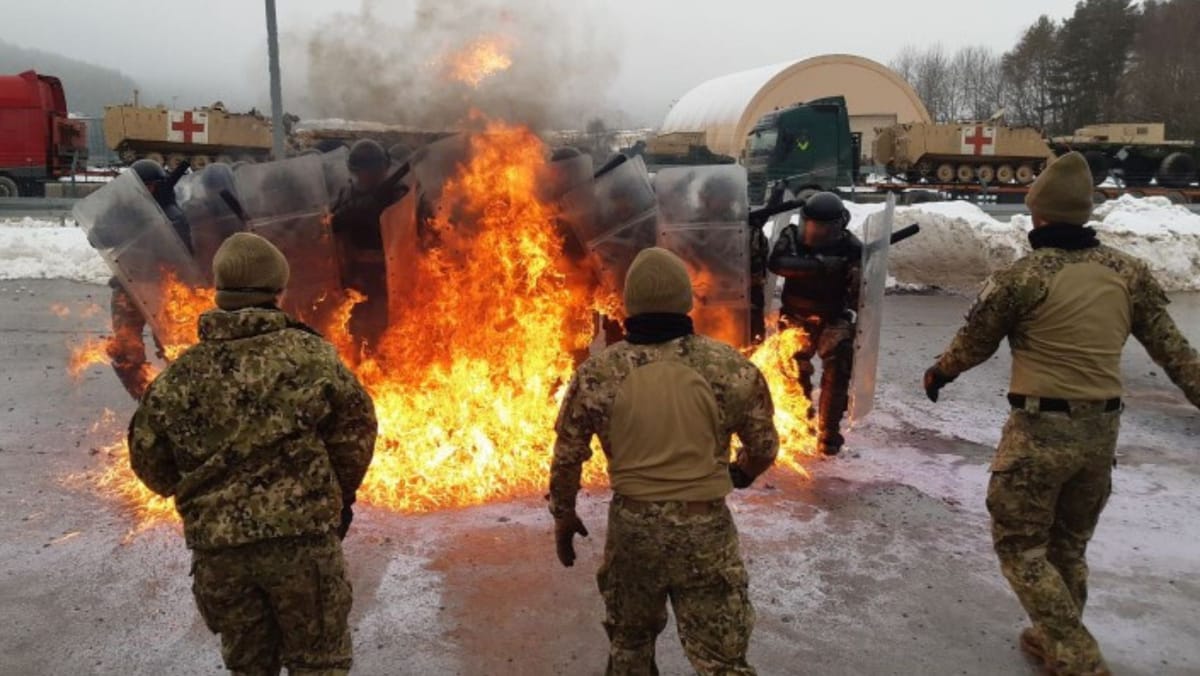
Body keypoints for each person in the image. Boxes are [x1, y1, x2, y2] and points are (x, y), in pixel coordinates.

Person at [923, 152, 1200, 676]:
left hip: (1038, 435)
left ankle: (1076, 655)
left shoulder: (1023, 277)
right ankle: (1050, 634)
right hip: (1100, 435)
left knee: (1020, 547)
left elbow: (974, 344)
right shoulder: (1127, 273)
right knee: (1067, 546)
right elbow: (1174, 351)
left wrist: (940, 373)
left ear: (1039, 215)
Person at [128, 233, 378, 676]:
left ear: (220, 293)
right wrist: (335, 496)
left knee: (249, 667)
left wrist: (199, 491)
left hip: (221, 556)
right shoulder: (313, 358)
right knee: (319, 664)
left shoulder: (180, 376)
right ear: (277, 290)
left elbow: (152, 465)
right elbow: (355, 433)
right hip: (302, 546)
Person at [550, 247, 780, 675]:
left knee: (630, 647)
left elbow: (567, 458)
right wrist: (741, 472)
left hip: (633, 532)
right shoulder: (729, 367)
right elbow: (764, 446)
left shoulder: (597, 374)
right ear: (685, 302)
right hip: (706, 530)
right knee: (721, 660)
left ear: (630, 305)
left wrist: (564, 516)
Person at [767, 191, 862, 455]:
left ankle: (829, 433)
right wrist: (818, 266)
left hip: (832, 316)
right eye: (811, 226)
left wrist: (849, 272)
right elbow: (777, 262)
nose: (815, 233)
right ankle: (802, 422)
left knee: (838, 366)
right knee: (794, 369)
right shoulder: (791, 237)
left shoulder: (850, 246)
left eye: (822, 228)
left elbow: (860, 290)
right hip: (796, 315)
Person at [106, 159, 192, 399]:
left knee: (173, 349)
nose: (144, 192)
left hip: (163, 291)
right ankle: (146, 400)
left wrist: (161, 211)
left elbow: (181, 249)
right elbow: (96, 236)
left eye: (149, 186)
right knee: (125, 350)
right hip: (128, 288)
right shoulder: (123, 212)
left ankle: (178, 401)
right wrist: (119, 213)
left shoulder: (174, 214)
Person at [329, 139, 409, 347]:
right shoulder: (347, 194)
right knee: (357, 328)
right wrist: (358, 209)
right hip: (357, 274)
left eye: (375, 171)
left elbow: (412, 227)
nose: (371, 176)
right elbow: (332, 224)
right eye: (366, 172)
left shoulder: (398, 192)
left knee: (392, 329)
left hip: (392, 273)